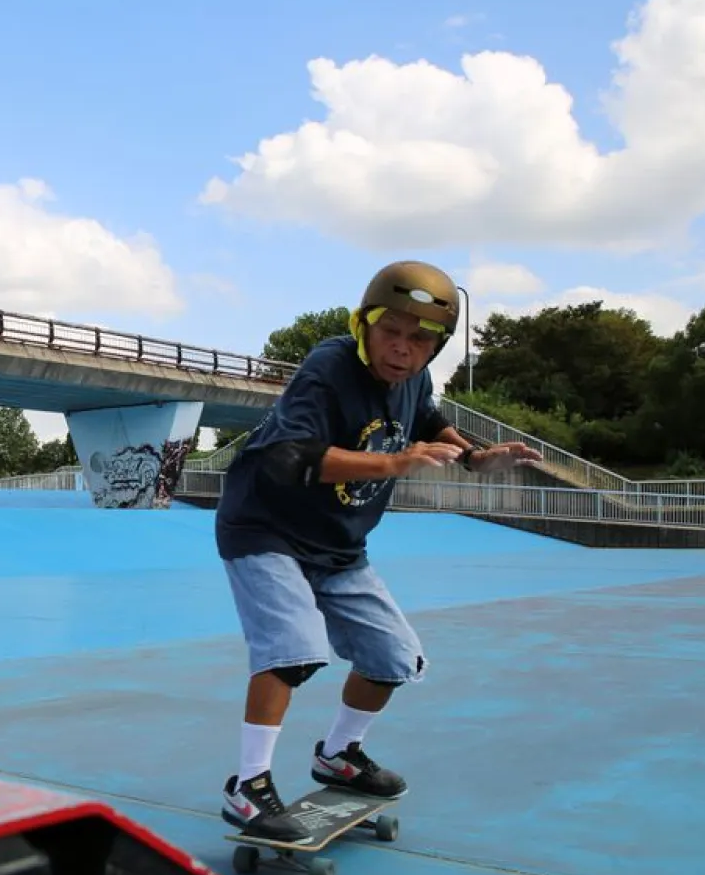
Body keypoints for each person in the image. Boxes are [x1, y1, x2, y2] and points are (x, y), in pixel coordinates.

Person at [214, 260, 543, 844]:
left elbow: (431, 419)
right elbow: (292, 457)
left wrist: (473, 457)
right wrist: (396, 462)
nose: (402, 348)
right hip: (265, 529)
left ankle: (339, 754)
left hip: (340, 545)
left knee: (393, 657)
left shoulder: (414, 379)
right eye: (391, 330)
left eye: (421, 339)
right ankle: (247, 786)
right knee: (292, 650)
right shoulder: (329, 367)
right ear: (364, 323)